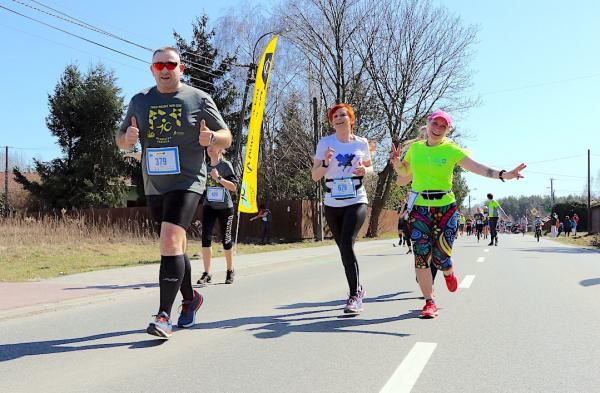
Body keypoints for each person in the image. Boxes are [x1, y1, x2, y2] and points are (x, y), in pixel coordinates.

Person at [116, 46, 232, 338]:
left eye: (171, 64)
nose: (165, 69)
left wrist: (212, 137)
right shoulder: (140, 101)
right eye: (159, 65)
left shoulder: (198, 98)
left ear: (181, 68)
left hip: (188, 180)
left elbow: (226, 136)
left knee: (169, 240)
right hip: (155, 184)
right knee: (175, 247)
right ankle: (191, 299)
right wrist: (127, 139)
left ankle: (163, 316)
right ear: (152, 70)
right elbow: (121, 140)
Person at [390, 110, 525, 319]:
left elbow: (479, 168)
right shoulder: (415, 149)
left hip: (446, 208)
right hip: (420, 209)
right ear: (428, 124)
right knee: (421, 257)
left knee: (441, 256)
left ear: (447, 130)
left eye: (442, 126)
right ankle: (429, 302)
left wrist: (504, 175)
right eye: (435, 124)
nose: (437, 129)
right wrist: (397, 163)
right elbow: (404, 173)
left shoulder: (451, 150)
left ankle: (448, 270)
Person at [311, 103, 373, 314]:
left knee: (347, 242)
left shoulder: (361, 143)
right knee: (343, 248)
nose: (338, 118)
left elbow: (370, 166)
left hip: (356, 198)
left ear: (351, 119)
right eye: (335, 116)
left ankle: (354, 295)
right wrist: (326, 163)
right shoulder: (325, 143)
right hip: (332, 202)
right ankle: (359, 288)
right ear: (331, 121)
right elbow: (315, 175)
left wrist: (365, 169)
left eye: (343, 115)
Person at [196, 146, 238, 285]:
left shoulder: (226, 165)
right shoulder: (204, 166)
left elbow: (234, 187)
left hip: (225, 207)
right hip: (209, 206)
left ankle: (230, 271)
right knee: (205, 238)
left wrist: (218, 178)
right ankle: (207, 273)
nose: (210, 149)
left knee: (226, 240)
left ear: (220, 149)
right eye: (208, 146)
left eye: (214, 146)